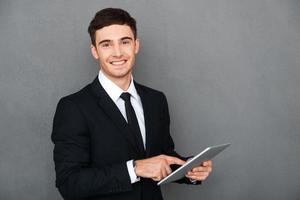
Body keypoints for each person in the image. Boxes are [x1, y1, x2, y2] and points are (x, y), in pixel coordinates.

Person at [51, 8, 212, 200]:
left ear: (136, 45)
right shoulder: (73, 107)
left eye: (125, 42)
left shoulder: (156, 100)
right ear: (94, 51)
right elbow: (70, 183)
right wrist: (135, 168)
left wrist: (188, 168)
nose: (117, 53)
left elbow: (162, 156)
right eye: (106, 44)